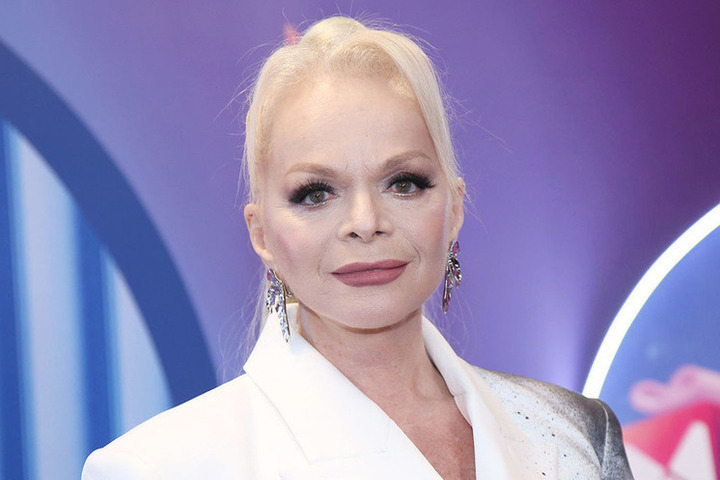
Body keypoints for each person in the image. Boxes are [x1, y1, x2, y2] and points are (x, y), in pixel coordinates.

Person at [82, 16, 634, 480]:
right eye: (315, 193)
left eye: (404, 183)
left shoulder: (575, 433)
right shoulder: (160, 467)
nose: (365, 223)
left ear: (455, 207)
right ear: (261, 233)